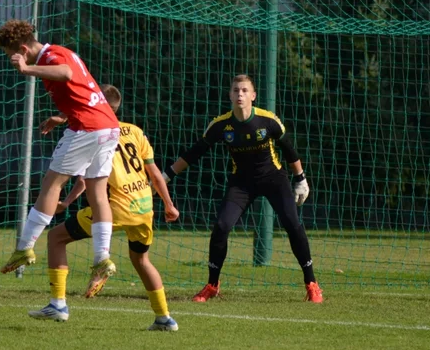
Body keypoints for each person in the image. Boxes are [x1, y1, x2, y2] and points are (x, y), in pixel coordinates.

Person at [30, 85, 181, 330]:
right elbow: (153, 172)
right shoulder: (135, 131)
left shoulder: (96, 134)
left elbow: (83, 179)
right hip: (144, 209)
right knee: (142, 260)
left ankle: (58, 302)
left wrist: (67, 202)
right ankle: (164, 318)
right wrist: (169, 204)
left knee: (56, 237)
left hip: (115, 208)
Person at [162, 74, 324, 303]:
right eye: (236, 90)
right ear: (230, 95)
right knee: (221, 226)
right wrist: (165, 176)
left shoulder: (268, 121)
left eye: (245, 90)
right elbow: (194, 153)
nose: (240, 94)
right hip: (242, 182)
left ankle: (312, 283)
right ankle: (212, 285)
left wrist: (301, 179)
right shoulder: (220, 125)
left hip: (274, 179)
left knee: (292, 223)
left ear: (253, 96)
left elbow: (289, 150)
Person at [0, 19, 121, 294]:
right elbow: (85, 92)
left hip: (87, 128)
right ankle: (102, 259)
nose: (12, 61)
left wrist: (27, 69)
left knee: (52, 184)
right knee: (97, 193)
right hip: (108, 126)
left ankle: (24, 248)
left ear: (24, 49)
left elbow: (64, 73)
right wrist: (62, 117)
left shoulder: (54, 56)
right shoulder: (62, 52)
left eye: (12, 55)